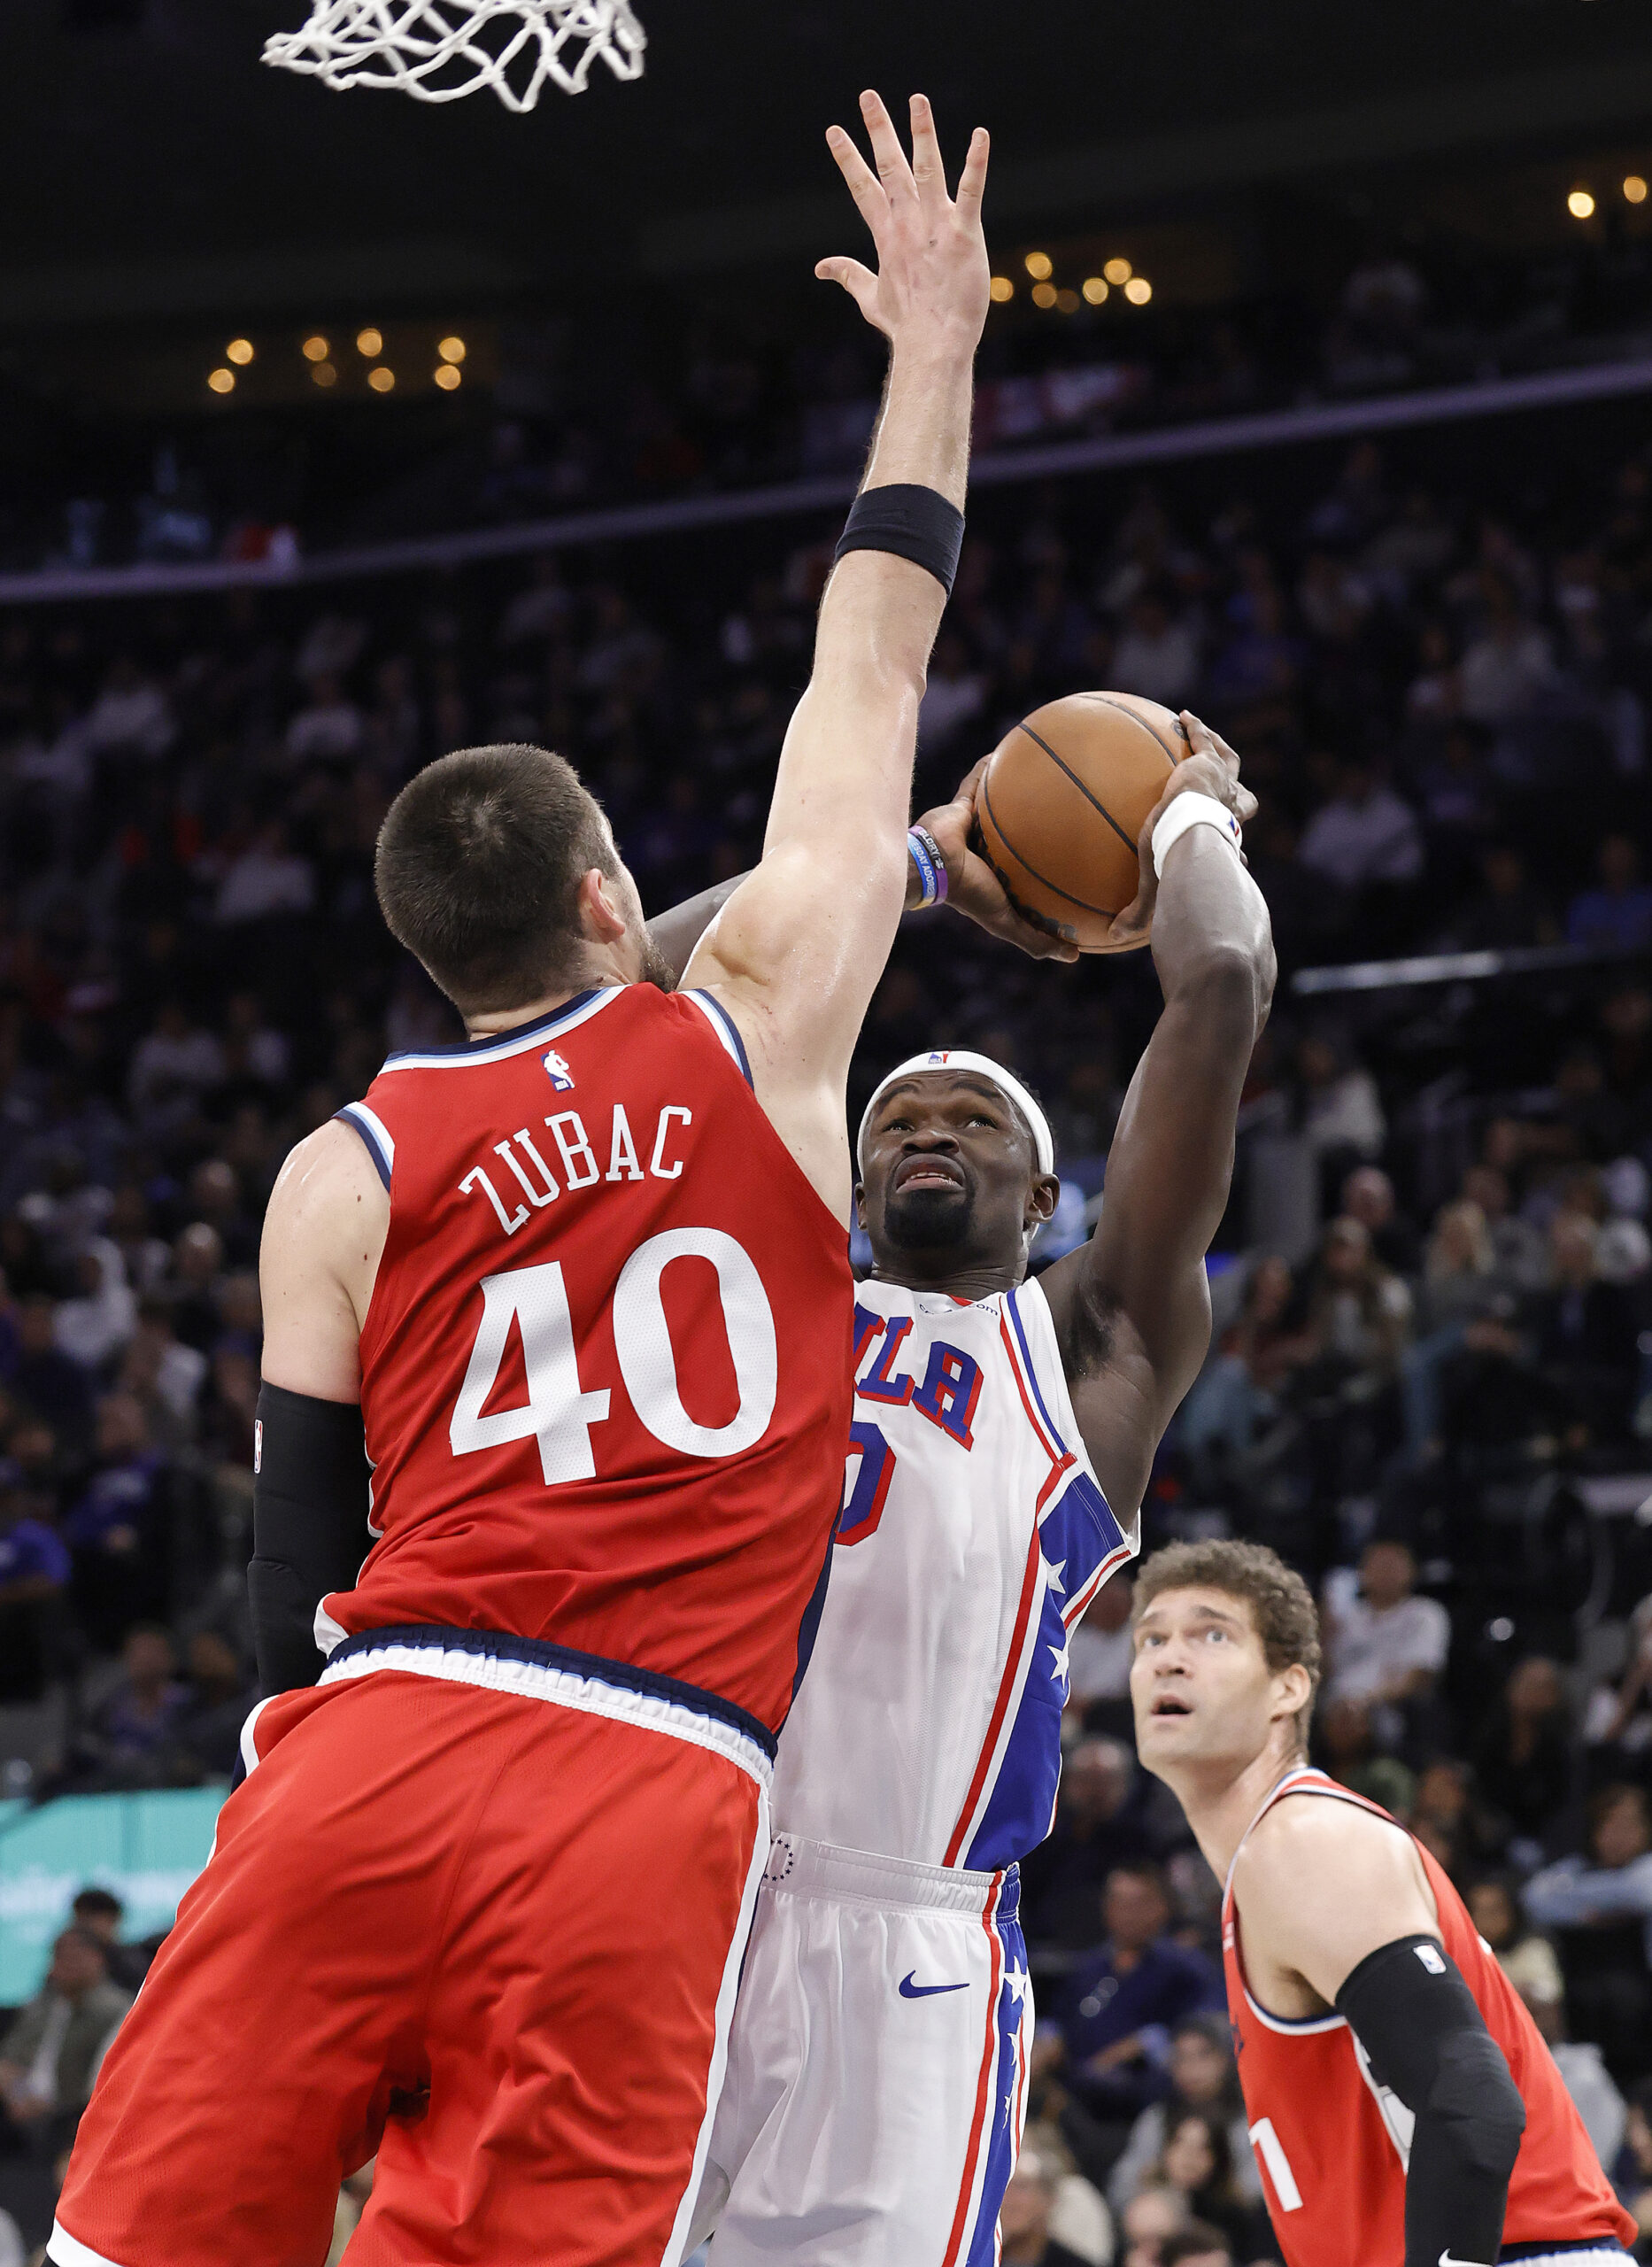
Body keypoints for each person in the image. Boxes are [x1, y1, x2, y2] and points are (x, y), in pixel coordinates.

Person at [54, 91, 995, 2267]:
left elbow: (297, 1564)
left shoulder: (339, 1169)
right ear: (608, 889)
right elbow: (875, 658)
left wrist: (312, 1785)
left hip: (373, 1733)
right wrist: (931, 343)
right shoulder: (755, 1014)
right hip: (647, 1774)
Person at [691, 704, 1271, 2267]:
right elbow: (632, 1018)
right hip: (679, 1880)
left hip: (913, 1941)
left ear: (1043, 1195)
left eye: (969, 1124)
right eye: (893, 1125)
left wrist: (1187, 822)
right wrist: (915, 868)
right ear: (857, 1180)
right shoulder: (764, 1294)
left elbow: (1218, 985)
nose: (923, 1133)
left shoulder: (1087, 1340)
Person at [1130, 1537, 1634, 2267]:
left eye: (1211, 1633)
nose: (1168, 1658)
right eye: (1151, 1637)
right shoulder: (1271, 1862)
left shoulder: (1305, 1840)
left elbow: (1472, 2101)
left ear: (1289, 1687)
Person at [1039, 1868, 1225, 2132]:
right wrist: (1049, 2042)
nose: (1128, 1913)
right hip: (1074, 2097)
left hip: (1145, 2100)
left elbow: (1205, 2026)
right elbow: (1058, 2020)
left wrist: (1145, 2042)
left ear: (1161, 1907)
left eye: (1138, 1903)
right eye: (1119, 1902)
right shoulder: (1088, 1967)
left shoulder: (1185, 1968)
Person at [1108, 2016, 1259, 2217]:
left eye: (1203, 2055)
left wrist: (1220, 2186)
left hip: (1238, 2225)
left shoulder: (1248, 2117)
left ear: (1224, 2059)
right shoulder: (1158, 2118)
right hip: (1167, 2227)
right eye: (1181, 2058)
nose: (1192, 2068)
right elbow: (1120, 2189)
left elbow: (1262, 2191)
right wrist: (1160, 2184)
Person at [0, 1930, 131, 2162]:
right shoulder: (40, 2006)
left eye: (77, 1956)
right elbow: (9, 2059)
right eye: (61, 1957)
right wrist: (19, 2094)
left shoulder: (116, 2010)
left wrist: (49, 2106)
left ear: (98, 1959)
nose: (68, 1965)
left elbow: (105, 2080)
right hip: (23, 2107)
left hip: (72, 2117)